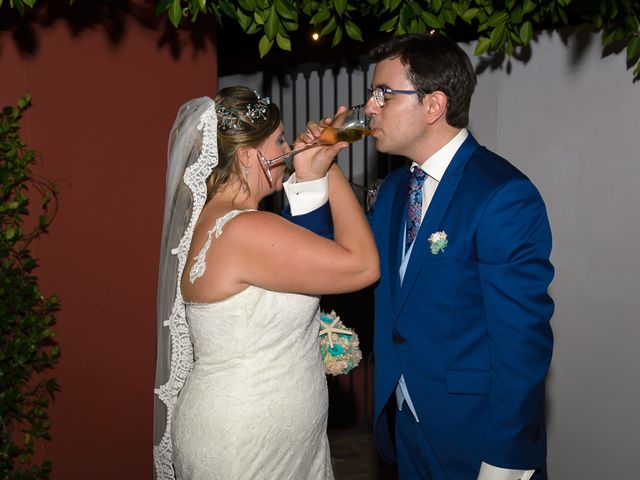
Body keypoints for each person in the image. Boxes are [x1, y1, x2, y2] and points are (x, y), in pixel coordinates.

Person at [284, 34, 554, 480]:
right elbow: (334, 268)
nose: (369, 108)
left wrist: (505, 463)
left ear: (433, 106)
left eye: (383, 95)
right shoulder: (392, 192)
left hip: (475, 439)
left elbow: (522, 346)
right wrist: (313, 177)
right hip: (403, 428)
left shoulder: (503, 196)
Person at [152, 86, 379, 480]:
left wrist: (310, 176)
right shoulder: (245, 230)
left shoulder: (219, 222)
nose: (289, 147)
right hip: (248, 441)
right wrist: (331, 166)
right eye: (280, 140)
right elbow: (361, 266)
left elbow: (305, 265)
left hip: (247, 427)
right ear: (247, 155)